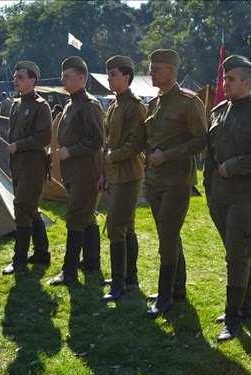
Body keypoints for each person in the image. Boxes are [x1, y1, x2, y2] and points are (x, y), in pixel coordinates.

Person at [204, 55, 251, 342]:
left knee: (236, 255)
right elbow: (211, 154)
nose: (227, 83)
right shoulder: (218, 111)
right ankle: (244, 307)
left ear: (247, 83)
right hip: (220, 196)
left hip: (248, 195)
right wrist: (209, 186)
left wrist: (235, 165)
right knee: (239, 252)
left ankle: (233, 316)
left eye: (233, 79)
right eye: (226, 78)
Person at [143, 49, 207, 317]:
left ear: (171, 71)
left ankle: (166, 297)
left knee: (167, 236)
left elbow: (201, 140)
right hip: (155, 180)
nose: (151, 73)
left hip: (177, 180)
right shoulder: (154, 103)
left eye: (156, 68)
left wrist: (166, 155)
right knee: (167, 234)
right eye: (150, 68)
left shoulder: (188, 102)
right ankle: (176, 288)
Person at [47, 56, 105, 285]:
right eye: (63, 75)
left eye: (68, 76)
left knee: (74, 216)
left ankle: (69, 271)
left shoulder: (89, 105)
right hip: (73, 172)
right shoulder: (72, 103)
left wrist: (69, 151)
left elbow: (96, 140)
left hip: (85, 171)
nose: (63, 79)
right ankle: (92, 261)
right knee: (86, 216)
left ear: (82, 78)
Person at [99, 55, 147, 301]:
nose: (109, 79)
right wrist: (104, 172)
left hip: (129, 174)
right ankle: (129, 277)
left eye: (113, 75)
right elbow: (108, 140)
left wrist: (111, 157)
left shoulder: (134, 105)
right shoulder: (115, 105)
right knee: (126, 227)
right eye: (108, 74)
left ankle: (119, 283)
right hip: (115, 174)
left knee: (117, 227)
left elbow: (136, 143)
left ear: (126, 77)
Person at [2, 60, 53, 275]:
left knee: (21, 208)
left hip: (33, 166)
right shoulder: (16, 104)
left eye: (20, 77)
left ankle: (19, 259)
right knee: (30, 209)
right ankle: (42, 253)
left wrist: (19, 145)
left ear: (32, 80)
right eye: (15, 76)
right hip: (18, 166)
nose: (16, 80)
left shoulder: (41, 105)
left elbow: (44, 137)